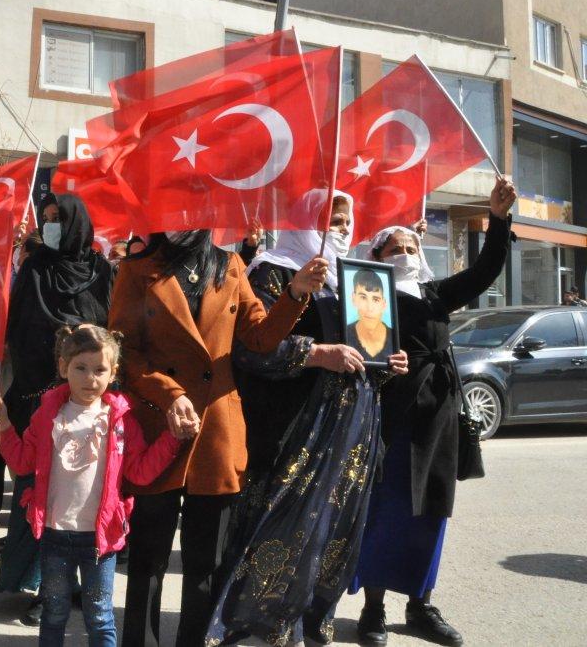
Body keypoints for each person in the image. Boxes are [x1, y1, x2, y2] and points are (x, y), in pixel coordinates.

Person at [207, 191, 409, 646]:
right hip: (295, 425)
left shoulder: (357, 279)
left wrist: (387, 364)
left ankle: (312, 617)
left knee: (333, 528)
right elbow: (250, 351)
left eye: (345, 220)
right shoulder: (272, 271)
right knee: (278, 523)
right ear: (301, 218)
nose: (339, 228)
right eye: (329, 219)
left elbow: (365, 353)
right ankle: (250, 621)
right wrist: (317, 354)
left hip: (351, 427)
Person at [108, 229, 327, 647]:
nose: (181, 219)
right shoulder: (136, 269)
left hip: (216, 431)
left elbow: (260, 338)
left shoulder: (230, 265)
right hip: (159, 424)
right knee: (148, 560)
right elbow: (124, 352)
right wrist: (169, 395)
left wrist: (296, 292)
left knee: (205, 563)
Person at [351, 176, 517, 647]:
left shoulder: (435, 293)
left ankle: (421, 605)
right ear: (376, 258)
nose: (403, 250)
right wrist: (383, 368)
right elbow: (360, 358)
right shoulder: (367, 296)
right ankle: (374, 609)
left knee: (433, 511)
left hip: (439, 418)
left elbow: (486, 270)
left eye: (409, 244)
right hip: (392, 419)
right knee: (388, 512)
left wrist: (498, 219)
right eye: (392, 246)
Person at [0, 325, 186, 647]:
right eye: (80, 368)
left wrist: (172, 439)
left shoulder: (122, 419)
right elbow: (24, 462)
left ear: (113, 373)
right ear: (62, 367)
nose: (90, 378)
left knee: (99, 615)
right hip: (55, 535)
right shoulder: (48, 414)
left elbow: (139, 472)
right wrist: (3, 427)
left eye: (99, 370)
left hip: (102, 541)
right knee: (54, 613)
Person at [0, 193, 114, 624]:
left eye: (56, 219)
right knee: (43, 494)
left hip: (88, 399)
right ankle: (43, 586)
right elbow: (17, 330)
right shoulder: (35, 268)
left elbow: (111, 329)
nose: (49, 227)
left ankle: (80, 585)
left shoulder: (102, 271)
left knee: (85, 493)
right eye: (45, 219)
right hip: (39, 400)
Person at [348, 268, 392, 363]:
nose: (369, 308)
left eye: (376, 299)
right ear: (353, 299)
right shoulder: (343, 335)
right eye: (363, 297)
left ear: (383, 304)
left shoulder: (395, 339)